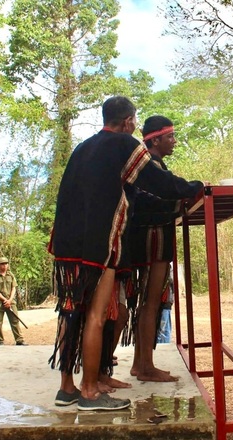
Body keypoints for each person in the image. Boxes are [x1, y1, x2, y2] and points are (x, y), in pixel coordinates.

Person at [48, 97, 203, 410]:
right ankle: (90, 391)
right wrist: (194, 187)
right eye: (134, 120)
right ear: (129, 121)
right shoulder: (125, 144)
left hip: (65, 244)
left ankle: (67, 387)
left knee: (70, 312)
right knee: (96, 315)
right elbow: (156, 182)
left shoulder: (82, 147)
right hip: (98, 244)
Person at [128, 115, 191, 382]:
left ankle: (139, 363)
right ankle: (145, 366)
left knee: (148, 303)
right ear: (155, 140)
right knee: (152, 302)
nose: (174, 142)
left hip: (147, 237)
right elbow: (156, 201)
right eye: (170, 137)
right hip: (154, 237)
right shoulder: (151, 167)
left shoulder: (152, 165)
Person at [0, 257, 26, 346]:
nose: (4, 266)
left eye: (6, 264)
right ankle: (0, 340)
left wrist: (9, 300)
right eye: (2, 264)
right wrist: (4, 300)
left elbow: (14, 288)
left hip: (11, 302)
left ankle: (19, 340)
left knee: (15, 320)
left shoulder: (11, 275)